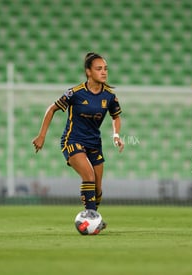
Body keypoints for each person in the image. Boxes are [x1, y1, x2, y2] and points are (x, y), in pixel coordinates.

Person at [32, 52, 124, 229]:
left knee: (97, 189)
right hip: (72, 140)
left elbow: (116, 117)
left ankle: (93, 217)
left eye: (105, 69)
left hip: (94, 143)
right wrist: (42, 135)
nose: (104, 72)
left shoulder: (110, 96)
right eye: (99, 69)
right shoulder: (75, 93)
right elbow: (51, 109)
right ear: (88, 72)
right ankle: (91, 220)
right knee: (88, 176)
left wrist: (116, 135)